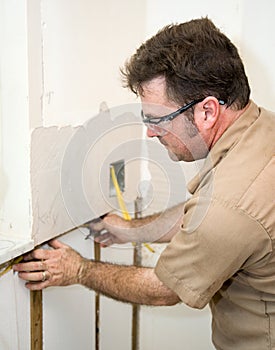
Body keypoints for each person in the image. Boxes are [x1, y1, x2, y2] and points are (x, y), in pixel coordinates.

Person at [13, 17, 275, 350]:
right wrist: (133, 229)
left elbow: (164, 288)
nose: (150, 132)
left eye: (157, 119)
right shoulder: (260, 128)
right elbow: (203, 214)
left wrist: (78, 270)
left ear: (207, 111)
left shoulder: (233, 203)